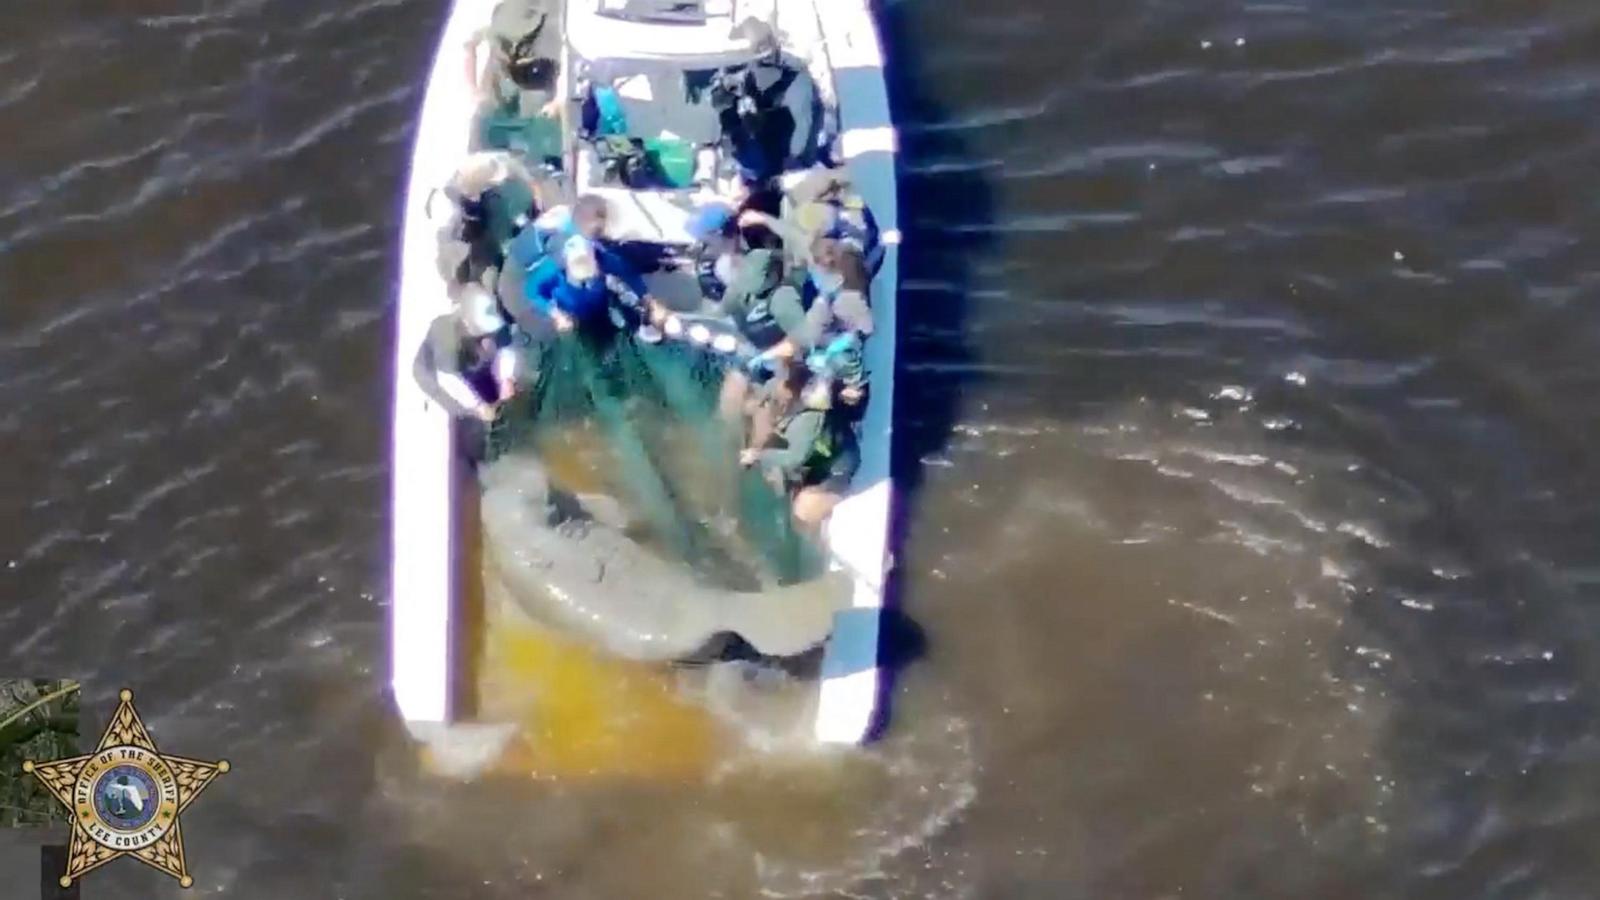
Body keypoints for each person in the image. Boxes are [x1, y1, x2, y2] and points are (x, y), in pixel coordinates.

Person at [739, 364, 859, 528]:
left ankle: (835, 502)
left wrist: (758, 456)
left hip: (837, 468)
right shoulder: (777, 388)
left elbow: (795, 457)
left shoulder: (808, 420)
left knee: (803, 509)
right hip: (811, 457)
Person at [413, 283, 525, 422]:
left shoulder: (492, 318)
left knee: (495, 383)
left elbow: (506, 347)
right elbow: (450, 382)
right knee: (469, 411)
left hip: (472, 358)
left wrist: (506, 378)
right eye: (484, 337)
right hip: (437, 374)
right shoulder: (447, 343)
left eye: (490, 335)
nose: (488, 341)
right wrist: (478, 407)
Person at [523, 234, 663, 340]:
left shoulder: (605, 259)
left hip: (600, 303)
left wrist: (649, 299)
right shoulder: (551, 270)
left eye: (589, 273)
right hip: (570, 312)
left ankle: (636, 328)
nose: (585, 278)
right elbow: (531, 291)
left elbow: (629, 274)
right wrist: (555, 313)